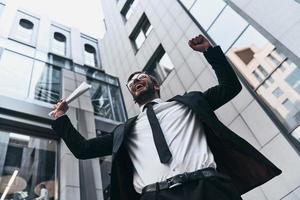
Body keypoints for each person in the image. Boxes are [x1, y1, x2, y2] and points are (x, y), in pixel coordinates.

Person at [51, 34, 281, 200]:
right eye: (131, 83)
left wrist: (210, 52)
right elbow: (83, 149)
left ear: (156, 85)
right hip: (155, 196)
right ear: (133, 96)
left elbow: (230, 87)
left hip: (209, 189)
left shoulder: (190, 104)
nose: (136, 81)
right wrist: (61, 118)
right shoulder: (125, 131)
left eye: (141, 77)